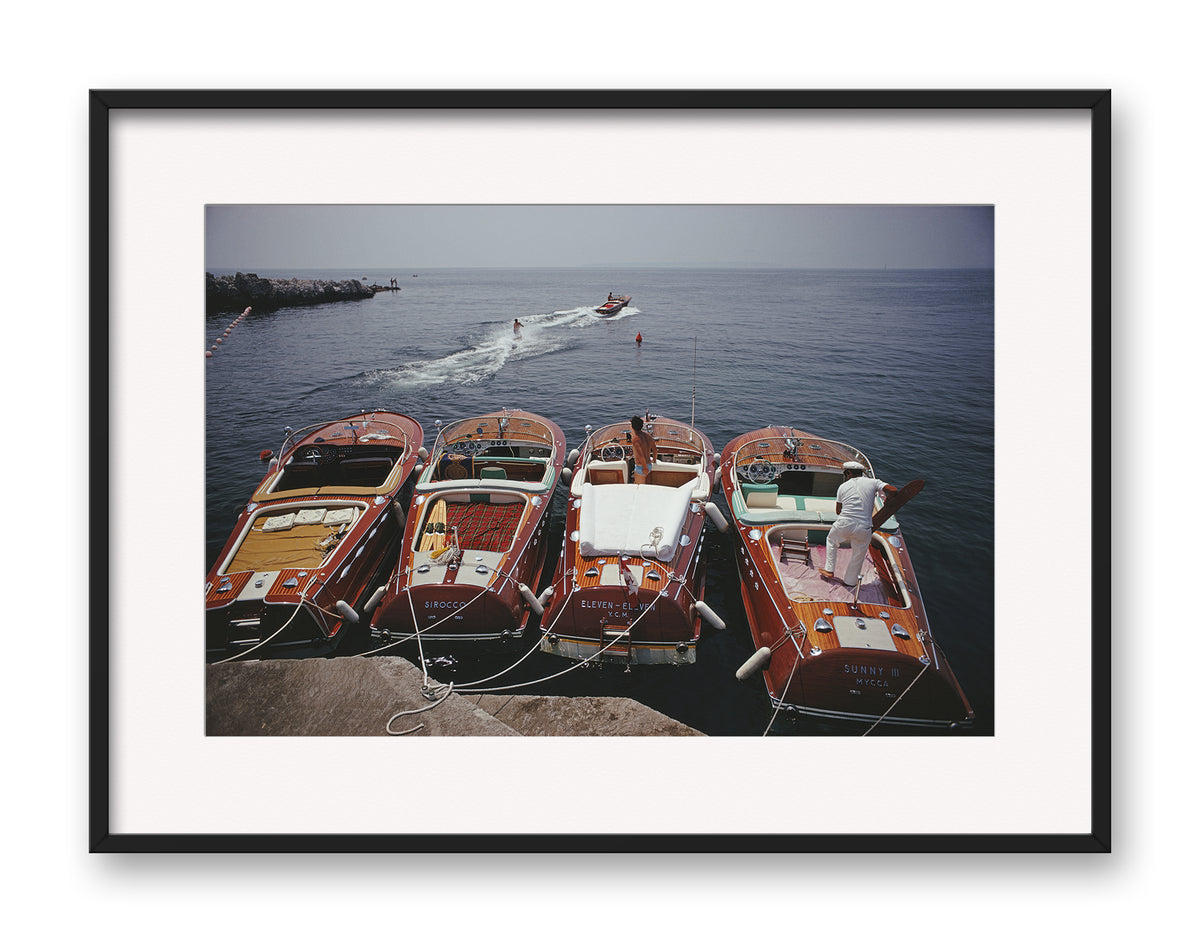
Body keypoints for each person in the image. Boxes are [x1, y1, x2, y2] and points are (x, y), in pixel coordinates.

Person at [820, 461, 898, 586]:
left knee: (832, 540)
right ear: (861, 472)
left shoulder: (843, 487)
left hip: (845, 523)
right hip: (864, 527)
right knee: (858, 554)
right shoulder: (874, 482)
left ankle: (829, 570)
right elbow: (893, 490)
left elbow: (838, 511)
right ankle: (850, 582)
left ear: (849, 472)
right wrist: (888, 499)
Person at [630, 414, 657, 484]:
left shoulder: (635, 440)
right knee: (637, 483)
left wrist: (645, 468)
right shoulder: (647, 435)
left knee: (639, 487)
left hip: (641, 467)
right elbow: (654, 449)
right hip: (649, 465)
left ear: (632, 427)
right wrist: (654, 460)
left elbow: (640, 455)